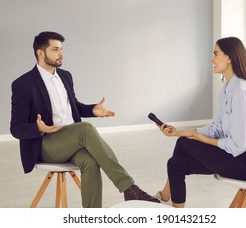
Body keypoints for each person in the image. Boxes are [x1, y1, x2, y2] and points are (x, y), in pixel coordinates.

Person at [10, 31, 160, 208]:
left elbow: (74, 106)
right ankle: (129, 188)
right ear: (41, 53)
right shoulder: (23, 84)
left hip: (72, 139)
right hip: (46, 144)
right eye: (56, 49)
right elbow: (16, 128)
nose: (61, 53)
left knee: (89, 161)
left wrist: (93, 110)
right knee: (85, 128)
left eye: (62, 49)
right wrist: (39, 128)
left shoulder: (65, 76)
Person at [153, 37, 246, 208]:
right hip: (237, 156)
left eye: (216, 54)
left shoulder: (241, 91)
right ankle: (167, 203)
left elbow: (238, 145)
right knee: (175, 163)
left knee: (184, 145)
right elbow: (217, 126)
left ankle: (163, 198)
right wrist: (180, 132)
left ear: (229, 57)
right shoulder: (227, 88)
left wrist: (203, 139)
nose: (211, 59)